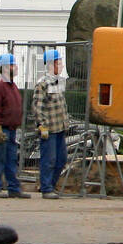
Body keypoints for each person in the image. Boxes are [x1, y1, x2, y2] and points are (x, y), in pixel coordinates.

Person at [0, 53, 28, 198]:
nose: (15, 68)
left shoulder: (11, 85)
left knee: (10, 160)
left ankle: (13, 188)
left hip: (10, 129)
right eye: (12, 65)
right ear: (4, 67)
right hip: (0, 129)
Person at [33, 48, 69, 199]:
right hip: (49, 129)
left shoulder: (58, 82)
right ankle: (46, 188)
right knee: (49, 159)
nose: (61, 66)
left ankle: (49, 185)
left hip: (60, 128)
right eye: (58, 63)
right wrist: (42, 125)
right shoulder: (42, 84)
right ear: (50, 65)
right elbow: (37, 106)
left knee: (61, 159)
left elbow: (61, 105)